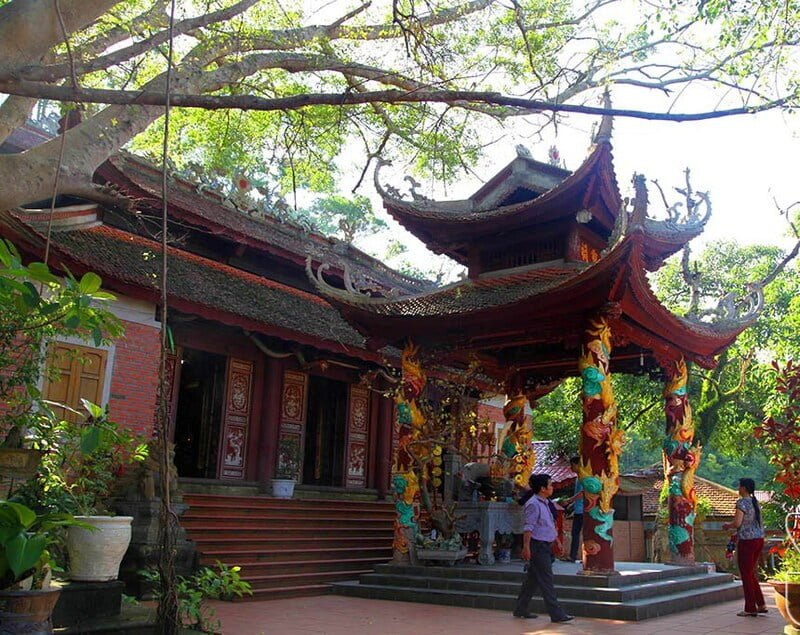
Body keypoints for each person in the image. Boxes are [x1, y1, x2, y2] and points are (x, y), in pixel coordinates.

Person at [513, 473, 574, 623]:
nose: (552, 487)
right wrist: (526, 547)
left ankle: (521, 608)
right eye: (550, 485)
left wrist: (556, 541)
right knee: (546, 580)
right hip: (537, 546)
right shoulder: (533, 504)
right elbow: (528, 527)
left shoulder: (545, 503)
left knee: (532, 580)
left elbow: (547, 525)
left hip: (544, 545)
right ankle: (556, 613)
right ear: (542, 488)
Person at [722, 477, 767, 617]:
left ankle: (750, 608)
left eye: (740, 486)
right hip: (759, 539)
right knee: (751, 572)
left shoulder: (742, 502)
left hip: (747, 541)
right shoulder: (755, 502)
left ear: (744, 488)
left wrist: (727, 526)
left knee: (746, 574)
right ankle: (761, 604)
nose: (738, 488)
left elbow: (737, 522)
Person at [564, 456, 584, 562]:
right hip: (578, 509)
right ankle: (575, 555)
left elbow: (583, 493)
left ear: (577, 465)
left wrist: (570, 500)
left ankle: (575, 555)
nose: (571, 467)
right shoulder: (578, 477)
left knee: (577, 533)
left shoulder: (583, 477)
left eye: (572, 465)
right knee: (576, 533)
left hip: (583, 510)